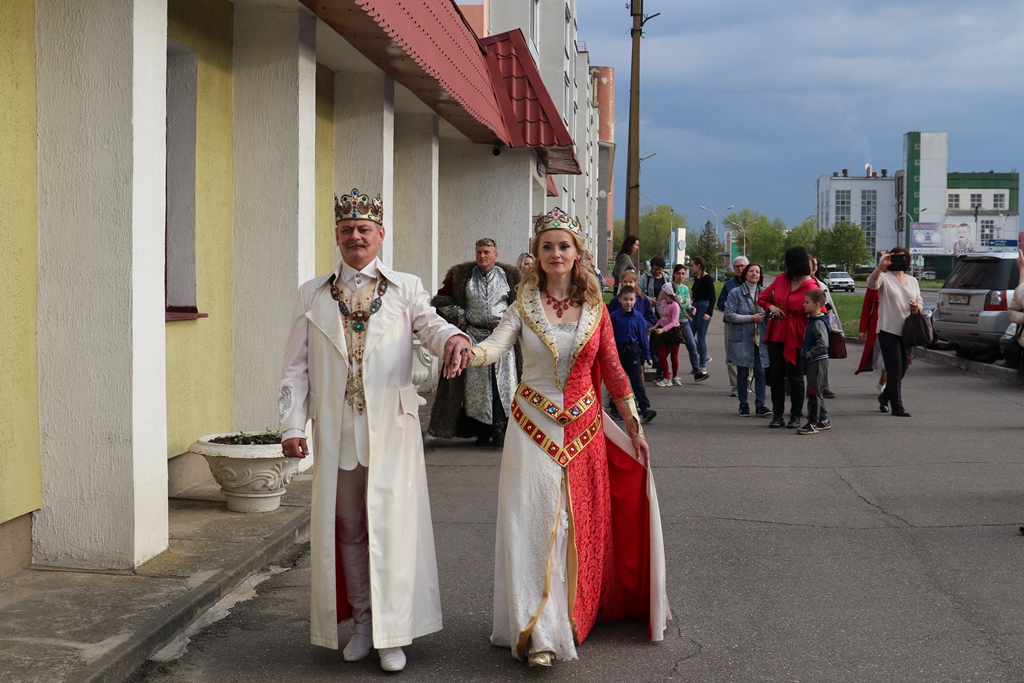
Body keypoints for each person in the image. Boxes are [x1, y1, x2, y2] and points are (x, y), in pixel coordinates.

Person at [278, 189, 472, 672]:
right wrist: (289, 424)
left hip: (393, 430)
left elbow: (431, 326)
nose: (355, 236)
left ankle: (393, 634)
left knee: (391, 526)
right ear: (338, 238)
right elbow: (294, 369)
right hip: (337, 432)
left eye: (364, 229)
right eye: (347, 230)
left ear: (381, 235)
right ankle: (363, 624)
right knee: (346, 525)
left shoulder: (406, 287)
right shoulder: (313, 293)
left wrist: (455, 337)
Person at [467, 207, 670, 667]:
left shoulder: (598, 311)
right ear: (535, 255)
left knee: (573, 528)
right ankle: (537, 630)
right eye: (547, 246)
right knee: (535, 522)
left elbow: (615, 374)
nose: (555, 253)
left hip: (584, 431)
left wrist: (634, 428)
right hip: (531, 429)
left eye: (564, 245)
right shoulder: (522, 307)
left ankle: (569, 617)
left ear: (579, 253)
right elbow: (495, 346)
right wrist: (464, 352)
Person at [428, 238, 522, 446]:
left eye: (487, 252)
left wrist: (508, 324)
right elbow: (441, 300)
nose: (482, 256)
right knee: (476, 387)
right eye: (479, 252)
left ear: (495, 255)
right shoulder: (463, 276)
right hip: (473, 337)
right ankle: (481, 430)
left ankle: (500, 427)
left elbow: (520, 304)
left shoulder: (509, 277)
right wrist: (460, 314)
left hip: (501, 339)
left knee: (503, 385)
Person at [758, 246, 820, 429]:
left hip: (799, 333)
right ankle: (777, 414)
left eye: (786, 260)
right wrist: (771, 307)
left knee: (796, 376)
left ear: (794, 262)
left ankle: (795, 415)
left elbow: (820, 310)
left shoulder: (811, 285)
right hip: (778, 330)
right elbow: (762, 298)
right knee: (776, 375)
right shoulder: (781, 279)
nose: (784, 264)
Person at [867, 246, 923, 417]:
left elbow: (919, 300)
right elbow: (871, 284)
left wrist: (917, 307)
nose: (900, 260)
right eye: (895, 257)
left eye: (903, 257)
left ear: (908, 260)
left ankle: (885, 396)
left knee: (904, 368)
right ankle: (897, 406)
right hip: (888, 329)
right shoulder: (884, 277)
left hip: (907, 331)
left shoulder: (913, 280)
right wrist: (880, 266)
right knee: (895, 369)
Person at [605, 269, 656, 419]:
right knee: (619, 381)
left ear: (635, 300)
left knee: (637, 381)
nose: (628, 303)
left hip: (633, 350)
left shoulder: (638, 317)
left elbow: (642, 337)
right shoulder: (614, 316)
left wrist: (647, 355)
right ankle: (615, 407)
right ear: (620, 299)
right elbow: (609, 335)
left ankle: (645, 408)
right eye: (625, 299)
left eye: (631, 300)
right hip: (618, 351)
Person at [724, 262, 770, 417]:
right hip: (742, 338)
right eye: (751, 271)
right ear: (745, 274)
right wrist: (751, 318)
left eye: (757, 272)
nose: (754, 274)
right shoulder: (735, 293)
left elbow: (769, 314)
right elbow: (729, 315)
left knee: (760, 372)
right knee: (743, 372)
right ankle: (743, 404)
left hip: (760, 339)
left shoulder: (765, 293)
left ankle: (761, 405)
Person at [798, 289, 831, 434]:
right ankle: (823, 419)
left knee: (813, 391)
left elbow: (823, 343)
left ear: (817, 304)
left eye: (807, 302)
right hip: (815, 361)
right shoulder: (813, 320)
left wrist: (809, 354)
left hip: (817, 361)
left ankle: (813, 422)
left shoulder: (818, 322)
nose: (803, 305)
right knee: (816, 390)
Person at [717, 255, 749, 397]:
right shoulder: (729, 285)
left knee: (749, 353)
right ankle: (736, 384)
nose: (740, 269)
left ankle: (746, 382)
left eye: (742, 266)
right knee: (732, 354)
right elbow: (719, 303)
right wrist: (731, 306)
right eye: (737, 266)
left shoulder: (753, 283)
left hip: (749, 323)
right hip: (732, 323)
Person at [809, 256, 838, 399]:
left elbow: (829, 305)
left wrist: (832, 323)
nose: (813, 268)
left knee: (822, 353)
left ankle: (824, 385)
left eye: (815, 265)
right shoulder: (798, 283)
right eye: (811, 265)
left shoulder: (821, 285)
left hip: (821, 322)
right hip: (805, 323)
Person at [670, 263, 703, 382]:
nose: (680, 276)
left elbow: (687, 303)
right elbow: (661, 303)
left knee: (692, 345)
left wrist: (691, 308)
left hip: (684, 321)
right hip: (672, 323)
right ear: (673, 274)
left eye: (683, 273)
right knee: (668, 349)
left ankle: (697, 371)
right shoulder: (669, 287)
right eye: (678, 273)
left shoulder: (684, 288)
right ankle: (661, 373)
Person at [855, 278, 887, 395]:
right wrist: (862, 329)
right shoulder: (874, 283)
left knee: (895, 358)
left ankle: (884, 383)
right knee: (884, 356)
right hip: (878, 326)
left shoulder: (904, 280)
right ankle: (884, 384)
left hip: (896, 326)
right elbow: (867, 307)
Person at [689, 255, 716, 376]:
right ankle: (704, 356)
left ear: (698, 266)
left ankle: (702, 366)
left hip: (704, 307)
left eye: (692, 265)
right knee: (688, 334)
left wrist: (708, 312)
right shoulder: (697, 278)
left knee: (701, 336)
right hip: (695, 307)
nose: (691, 268)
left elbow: (712, 297)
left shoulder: (708, 278)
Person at [652, 283, 683, 388]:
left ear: (667, 292)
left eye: (662, 291)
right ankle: (666, 377)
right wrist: (656, 327)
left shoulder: (675, 305)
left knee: (674, 356)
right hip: (663, 331)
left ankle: (675, 376)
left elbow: (674, 322)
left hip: (673, 331)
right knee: (662, 355)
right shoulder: (663, 303)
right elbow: (662, 317)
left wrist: (662, 329)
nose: (661, 292)